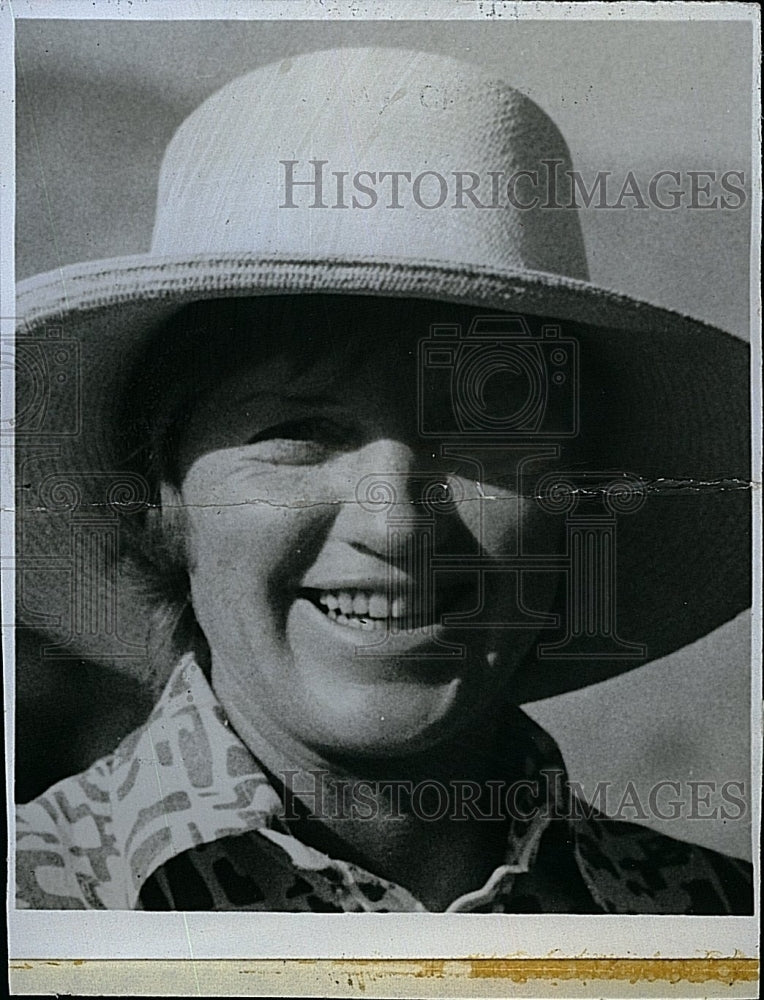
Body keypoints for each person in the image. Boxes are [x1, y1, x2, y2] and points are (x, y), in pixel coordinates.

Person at [14, 48, 752, 913]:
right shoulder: (38, 910)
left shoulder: (711, 923)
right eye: (298, 433)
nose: (395, 524)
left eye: (480, 439)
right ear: (161, 502)